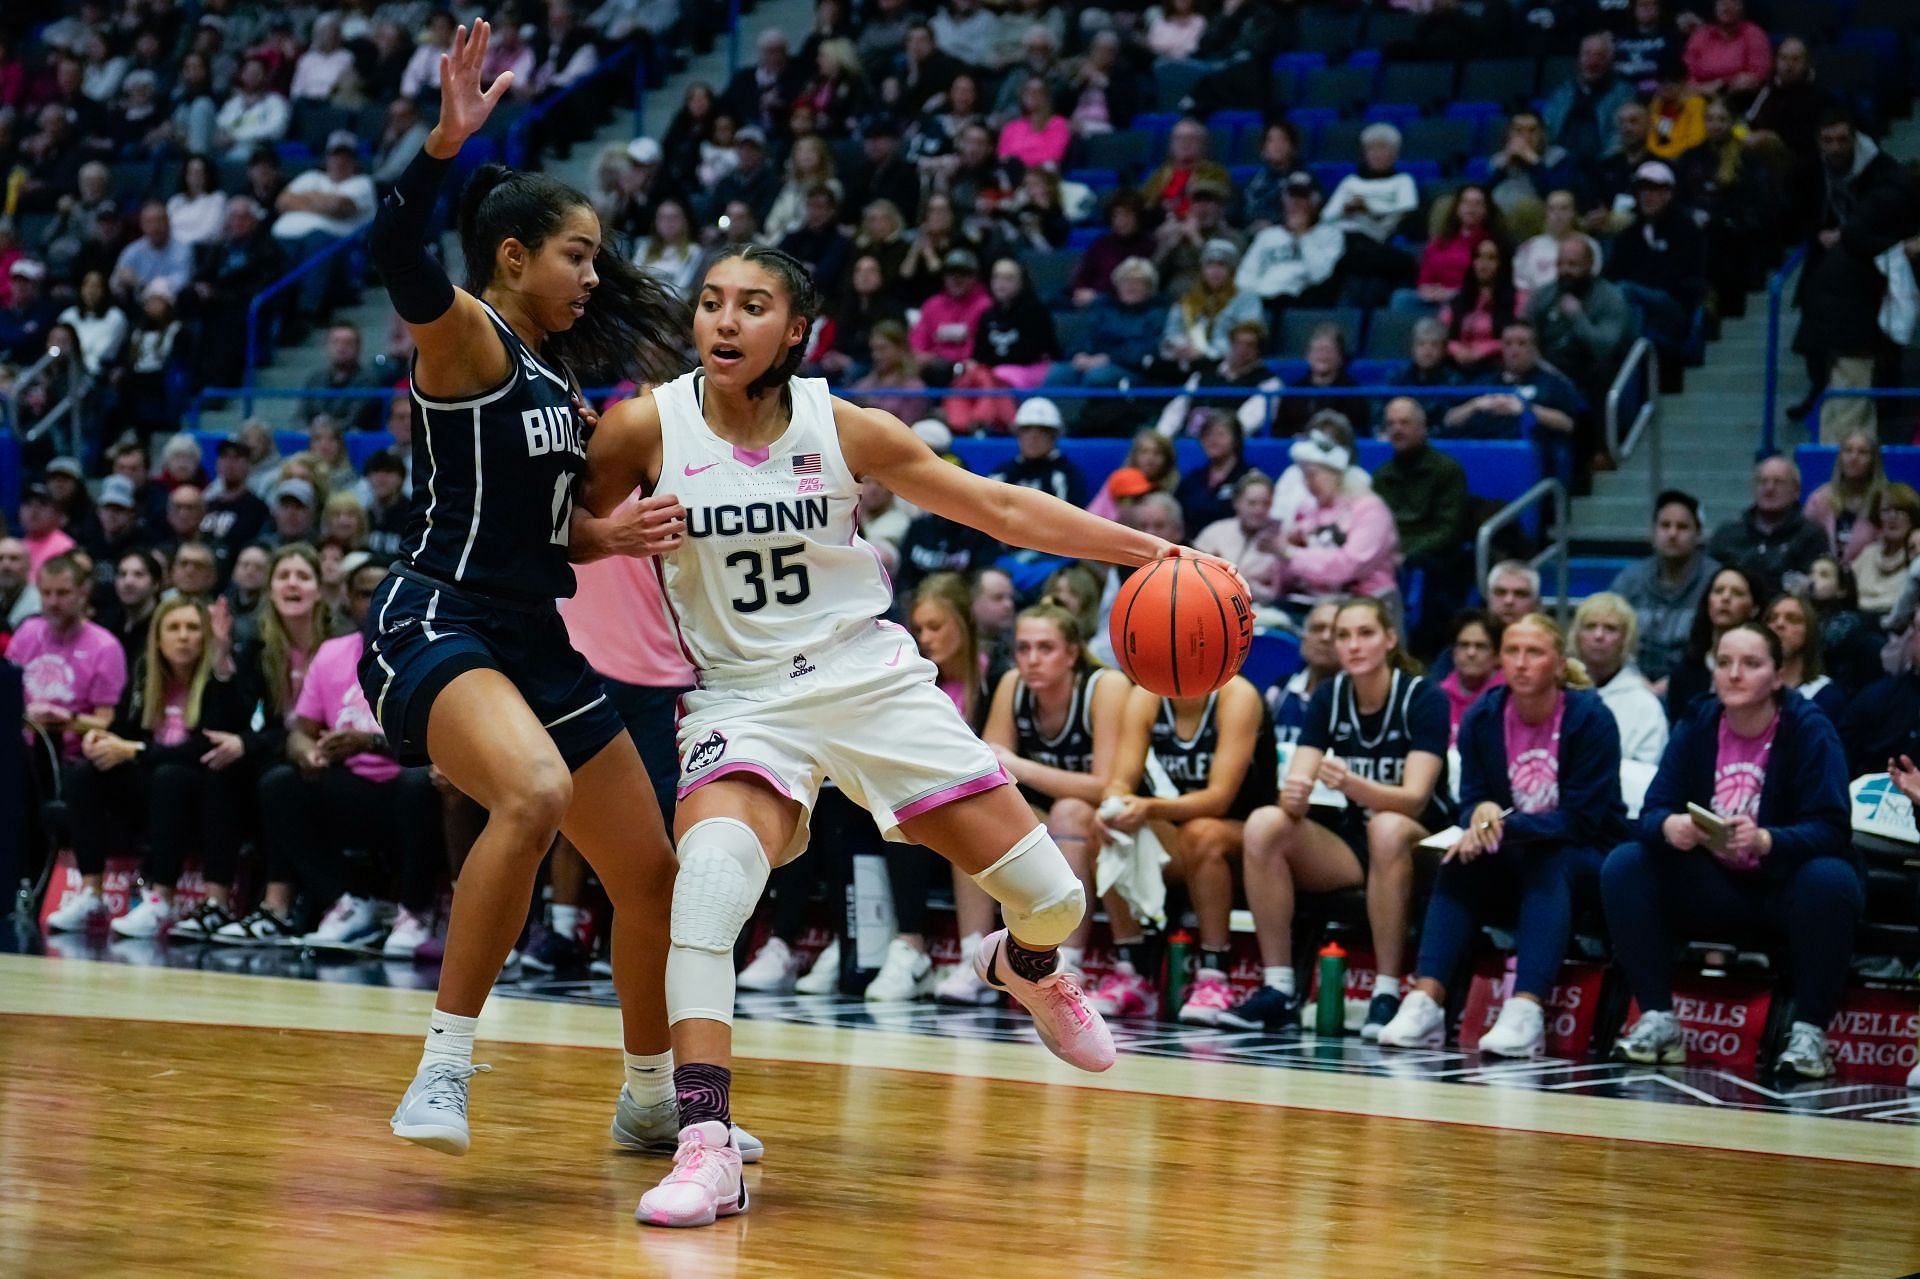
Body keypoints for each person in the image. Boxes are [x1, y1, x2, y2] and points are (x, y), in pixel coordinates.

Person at [581, 241, 1246, 1226]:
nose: (723, 320)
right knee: (711, 879)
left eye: (751, 304)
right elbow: (551, 531)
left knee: (1055, 901)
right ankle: (705, 1145)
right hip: (742, 696)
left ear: (796, 330)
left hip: (868, 676)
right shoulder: (645, 426)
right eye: (712, 302)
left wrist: (1148, 547)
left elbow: (999, 506)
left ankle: (1022, 968)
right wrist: (611, 536)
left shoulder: (845, 427)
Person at [353, 23, 702, 1162]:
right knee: (532, 793)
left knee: (650, 872)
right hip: (435, 618)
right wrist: (442, 146)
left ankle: (652, 1098)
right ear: (512, 256)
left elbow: (546, 525)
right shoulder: (466, 339)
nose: (593, 275)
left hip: (525, 628)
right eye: (578, 255)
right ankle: (443, 1071)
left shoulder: (552, 373)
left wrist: (607, 533)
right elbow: (395, 241)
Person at [1603, 623, 1859, 1080]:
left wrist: (1769, 840)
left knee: (1832, 878)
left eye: (1751, 664)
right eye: (1724, 663)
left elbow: (1834, 827)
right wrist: (1670, 825)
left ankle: (1810, 1033)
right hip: (1713, 885)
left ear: (1778, 676)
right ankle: (1657, 1018)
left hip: (1782, 889)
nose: (1734, 675)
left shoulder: (1809, 729)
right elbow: (1652, 810)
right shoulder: (1698, 723)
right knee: (1626, 863)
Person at [1379, 614, 1629, 1056]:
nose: (1521, 663)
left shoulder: (1592, 719)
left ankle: (1525, 1010)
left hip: (1588, 856)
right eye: (1512, 652)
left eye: (1534, 653)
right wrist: (1480, 815)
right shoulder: (1484, 716)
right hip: (1513, 850)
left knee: (1549, 861)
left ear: (1558, 663)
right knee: (1460, 858)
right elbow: (1472, 796)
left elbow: (1580, 820)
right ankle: (1426, 1000)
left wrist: (1502, 826)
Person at [1218, 597, 1455, 1037]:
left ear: (1389, 639)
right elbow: (1297, 787)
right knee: (1265, 824)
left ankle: (1387, 991)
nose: (1353, 645)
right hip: (1355, 840)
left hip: (1424, 844)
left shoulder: (1423, 697)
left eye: (1365, 634)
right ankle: (1280, 988)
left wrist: (1352, 785)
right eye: (1343, 636)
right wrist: (1295, 793)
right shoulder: (1329, 696)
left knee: (1385, 826)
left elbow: (1414, 799)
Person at [937, 600, 1124, 1006]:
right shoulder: (1012, 685)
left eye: (1045, 648)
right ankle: (975, 957)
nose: (1032, 659)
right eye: (1023, 648)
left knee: (1070, 810)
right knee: (970, 814)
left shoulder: (1105, 686)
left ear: (1072, 653)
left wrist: (1022, 766)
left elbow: (1107, 786)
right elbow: (988, 765)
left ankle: (1065, 964)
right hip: (1046, 816)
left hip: (1109, 821)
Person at [53, 597, 256, 936]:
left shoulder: (219, 679)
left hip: (200, 790)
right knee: (83, 776)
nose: (183, 636)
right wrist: (99, 742)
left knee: (169, 778)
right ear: (158, 638)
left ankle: (160, 899)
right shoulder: (146, 674)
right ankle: (91, 892)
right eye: (173, 628)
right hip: (151, 785)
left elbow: (207, 745)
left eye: (192, 628)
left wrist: (133, 750)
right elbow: (124, 728)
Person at [1093, 673, 1277, 1024]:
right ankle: (1133, 973)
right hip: (1184, 830)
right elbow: (1120, 778)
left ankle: (1214, 975)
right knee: (1103, 826)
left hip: (1251, 840)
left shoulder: (1237, 695)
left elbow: (1219, 799)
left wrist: (1149, 808)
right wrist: (1113, 803)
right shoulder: (1146, 695)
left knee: (1202, 833)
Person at [1270, 431, 1401, 606]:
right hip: (1316, 604)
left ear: (1334, 473)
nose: (1308, 484)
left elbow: (1349, 566)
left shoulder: (1370, 510)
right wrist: (1284, 553)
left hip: (1369, 605)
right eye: (1304, 477)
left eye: (1312, 475)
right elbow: (1286, 581)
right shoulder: (1312, 514)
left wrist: (1290, 553)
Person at [1572, 593, 1669, 811]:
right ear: (1577, 635)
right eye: (1590, 626)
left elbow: (1647, 776)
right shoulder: (1557, 695)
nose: (1599, 635)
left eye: (1610, 628)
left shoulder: (1645, 705)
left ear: (1626, 639)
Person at [1610, 491, 1718, 687]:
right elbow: (1611, 639)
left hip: (1697, 688)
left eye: (1682, 527)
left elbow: (1721, 647)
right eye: (1665, 525)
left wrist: (1674, 684)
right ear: (1652, 532)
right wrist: (1633, 680)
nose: (1672, 534)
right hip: (1632, 685)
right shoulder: (1629, 581)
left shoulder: (1716, 582)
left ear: (1699, 533)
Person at [1523, 235, 1635, 403]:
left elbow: (1605, 346)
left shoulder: (1610, 296)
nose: (1565, 270)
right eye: (1560, 264)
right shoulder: (1544, 294)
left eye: (1572, 264)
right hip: (1548, 362)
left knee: (1603, 370)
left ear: (1589, 265)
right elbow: (1524, 328)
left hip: (1589, 364)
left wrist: (1577, 317)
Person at [1706, 456, 1827, 596]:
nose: (1769, 488)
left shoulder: (1811, 537)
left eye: (1778, 482)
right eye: (1763, 482)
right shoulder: (1727, 535)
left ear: (1796, 491)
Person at [1666, 564, 1761, 721]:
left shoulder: (1761, 671)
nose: (1725, 598)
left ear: (1754, 609)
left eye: (1737, 593)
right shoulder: (1685, 672)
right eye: (1718, 591)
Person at [1194, 471, 1281, 606]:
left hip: (1261, 610)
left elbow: (1279, 593)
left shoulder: (1282, 535)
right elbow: (1193, 573)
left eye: (1266, 504)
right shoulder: (1215, 532)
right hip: (1212, 604)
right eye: (1252, 503)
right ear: (1236, 503)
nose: (1259, 510)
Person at [1803, 428, 1886, 562]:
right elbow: (1804, 543)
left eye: (1863, 452)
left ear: (1874, 460)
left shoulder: (1885, 501)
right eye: (1848, 451)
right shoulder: (1819, 499)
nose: (1854, 458)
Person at [1764, 591, 1846, 722]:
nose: (1779, 624)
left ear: (1809, 632)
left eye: (1792, 619)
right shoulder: (1751, 686)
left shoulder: (1825, 696)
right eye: (1772, 618)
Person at [1270, 599, 1340, 748]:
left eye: (1336, 631)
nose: (1325, 637)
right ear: (1303, 636)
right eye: (1317, 628)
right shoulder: (1280, 689)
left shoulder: (1356, 696)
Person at [1175, 411, 1251, 533]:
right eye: (1207, 435)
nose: (1213, 440)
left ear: (1236, 440)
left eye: (1220, 435)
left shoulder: (1249, 478)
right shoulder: (1190, 480)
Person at [1850, 485, 1919, 616]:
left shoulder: (1916, 556)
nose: (1892, 517)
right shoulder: (1868, 554)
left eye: (1900, 510)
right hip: (1859, 622)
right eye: (1886, 510)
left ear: (1912, 516)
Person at [1439, 610, 1504, 747]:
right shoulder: (1437, 697)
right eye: (1464, 645)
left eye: (1480, 646)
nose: (1471, 653)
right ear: (1453, 652)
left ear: (1497, 656)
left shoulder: (1508, 698)